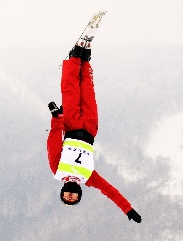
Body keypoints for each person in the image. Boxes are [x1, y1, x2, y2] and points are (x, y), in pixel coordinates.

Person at [46, 38, 142, 223]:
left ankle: (74, 60)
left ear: (63, 191)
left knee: (70, 90)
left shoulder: (57, 170)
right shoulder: (88, 177)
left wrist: (57, 118)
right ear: (79, 194)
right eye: (73, 199)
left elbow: (53, 143)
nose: (71, 196)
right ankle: (85, 61)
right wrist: (128, 210)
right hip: (90, 128)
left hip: (71, 125)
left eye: (67, 197)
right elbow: (110, 191)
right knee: (87, 89)